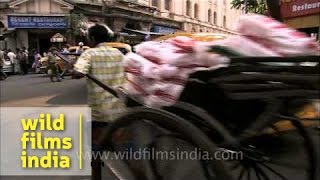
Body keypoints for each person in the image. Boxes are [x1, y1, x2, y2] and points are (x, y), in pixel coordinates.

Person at [73, 23, 126, 138]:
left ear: (92, 38)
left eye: (88, 38)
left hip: (99, 113)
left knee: (95, 147)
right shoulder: (118, 53)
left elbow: (78, 73)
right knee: (121, 145)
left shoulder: (89, 53)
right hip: (119, 110)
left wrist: (73, 69)